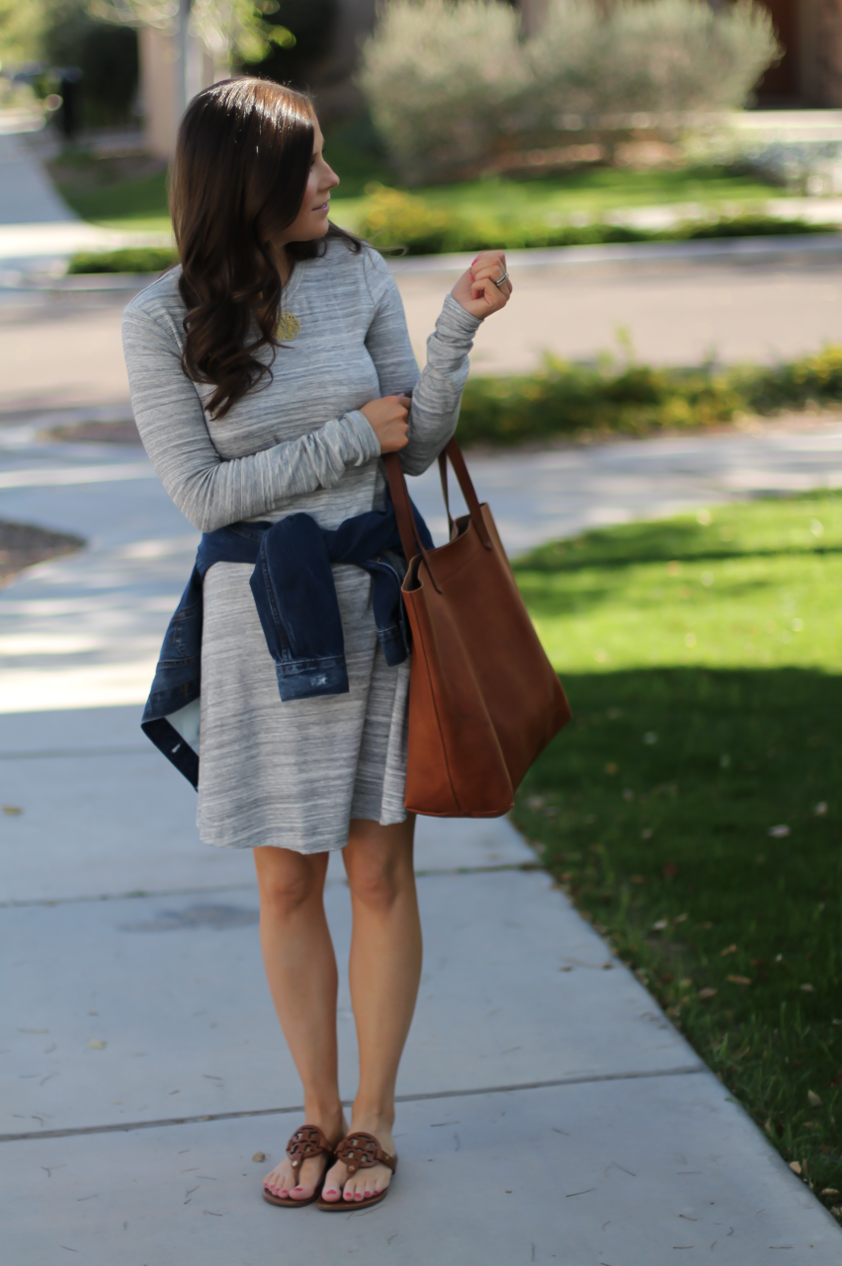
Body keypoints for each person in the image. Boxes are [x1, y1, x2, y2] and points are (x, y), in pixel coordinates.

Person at [122, 77, 512, 1211]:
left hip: (376, 608)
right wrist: (346, 433)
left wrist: (457, 326)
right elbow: (202, 495)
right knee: (285, 880)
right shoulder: (161, 318)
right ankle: (316, 1112)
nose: (332, 181)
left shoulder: (358, 271)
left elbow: (419, 437)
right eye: (310, 164)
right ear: (247, 183)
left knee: (378, 871)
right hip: (260, 620)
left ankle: (374, 1122)